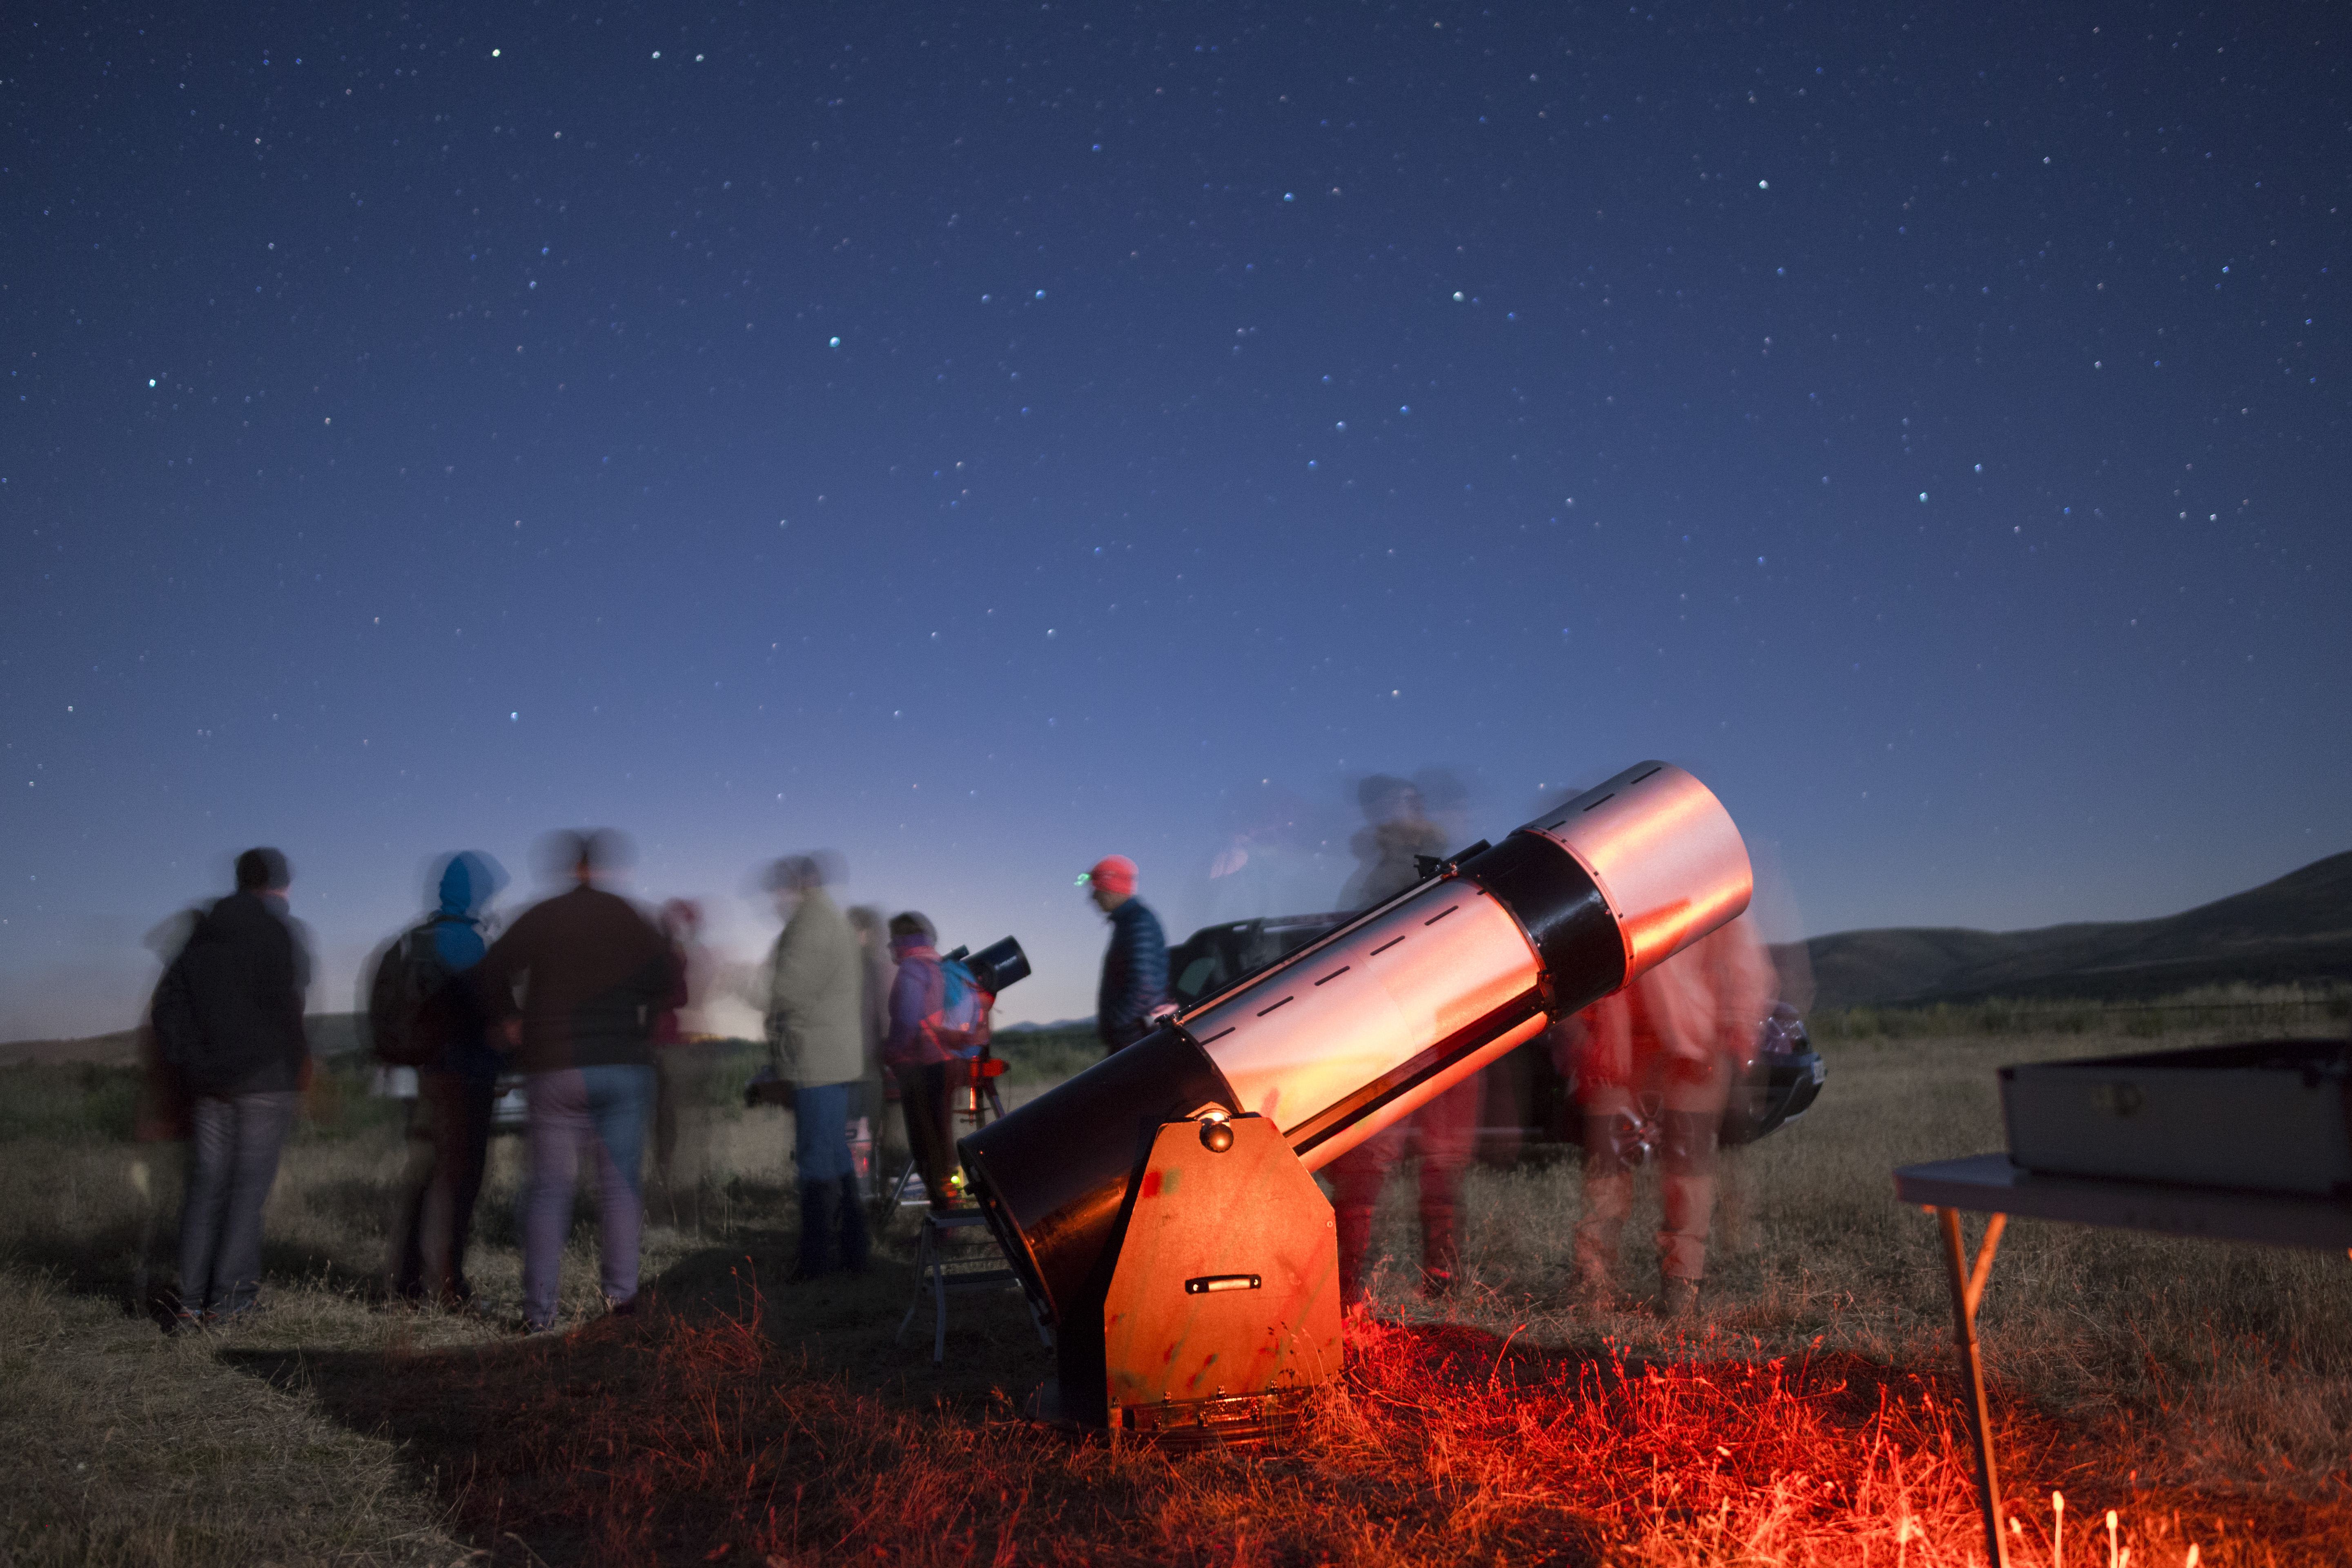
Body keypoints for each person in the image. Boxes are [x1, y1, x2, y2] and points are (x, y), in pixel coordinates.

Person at [473, 829, 673, 1333]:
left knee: (548, 1192)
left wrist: (509, 1018)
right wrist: (641, 1027)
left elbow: (488, 970)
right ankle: (621, 1303)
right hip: (623, 1067)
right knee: (620, 1190)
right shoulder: (629, 918)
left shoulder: (544, 916)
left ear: (569, 869)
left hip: (555, 1067)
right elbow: (668, 978)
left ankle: (539, 1313)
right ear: (602, 868)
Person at [1564, 911, 1777, 1317]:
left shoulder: (1692, 867)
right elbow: (1581, 951)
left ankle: (1681, 1293)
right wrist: (1587, 1030)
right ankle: (1593, 1287)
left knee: (1687, 1169)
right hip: (1615, 1042)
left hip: (1691, 1041)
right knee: (1606, 1170)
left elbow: (1737, 946)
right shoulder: (1606, 865)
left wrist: (1738, 1022)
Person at [1325, 780, 1481, 1307]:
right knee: (1418, 1161)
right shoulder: (1429, 867)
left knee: (1390, 1161)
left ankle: (1359, 1288)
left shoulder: (1410, 869)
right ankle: (1418, 1282)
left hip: (1412, 1030)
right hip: (1428, 1030)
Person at [150, 847, 312, 1330]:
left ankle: (190, 1304)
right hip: (264, 1081)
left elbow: (169, 1007)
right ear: (277, 885)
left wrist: (191, 1061)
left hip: (208, 1085)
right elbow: (288, 1005)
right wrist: (296, 1061)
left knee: (205, 1191)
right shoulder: (277, 932)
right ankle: (231, 1304)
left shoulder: (202, 933)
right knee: (245, 1194)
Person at [386, 851, 506, 1308]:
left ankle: (409, 1283)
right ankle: (450, 1287)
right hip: (466, 1075)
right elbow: (488, 1012)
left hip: (427, 1074)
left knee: (428, 1178)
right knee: (459, 1181)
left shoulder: (418, 939)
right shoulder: (466, 943)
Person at [762, 855, 869, 1277]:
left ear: (799, 884)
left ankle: (816, 1261)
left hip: (817, 1059)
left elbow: (789, 988)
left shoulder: (813, 923)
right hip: (827, 1057)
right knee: (834, 1158)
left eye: (781, 888)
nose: (775, 899)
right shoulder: (826, 918)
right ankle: (852, 1252)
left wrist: (734, 981)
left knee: (816, 1164)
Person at [882, 911, 960, 1210]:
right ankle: (951, 1204)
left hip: (919, 1067)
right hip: (944, 1062)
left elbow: (906, 1018)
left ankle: (944, 1217)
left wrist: (891, 1052)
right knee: (942, 1143)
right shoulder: (937, 965)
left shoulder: (912, 968)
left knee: (926, 1147)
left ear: (902, 941)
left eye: (893, 940)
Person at [651, 898, 717, 1232]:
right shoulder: (696, 956)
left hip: (671, 1049)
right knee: (679, 1133)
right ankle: (685, 1213)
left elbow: (682, 996)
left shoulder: (674, 958)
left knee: (670, 1134)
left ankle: (673, 1213)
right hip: (683, 1048)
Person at [1082, 855, 1167, 1055]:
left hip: (1135, 1042)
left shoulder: (1138, 924)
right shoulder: (1131, 923)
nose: (1093, 898)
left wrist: (1118, 1026)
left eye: (1096, 890)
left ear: (1110, 889)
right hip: (1132, 1040)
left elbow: (1145, 986)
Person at [845, 904, 902, 1190]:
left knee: (860, 1132)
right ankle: (873, 1189)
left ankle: (864, 1192)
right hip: (876, 1065)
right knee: (868, 1132)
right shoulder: (882, 966)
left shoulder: (861, 968)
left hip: (863, 1066)